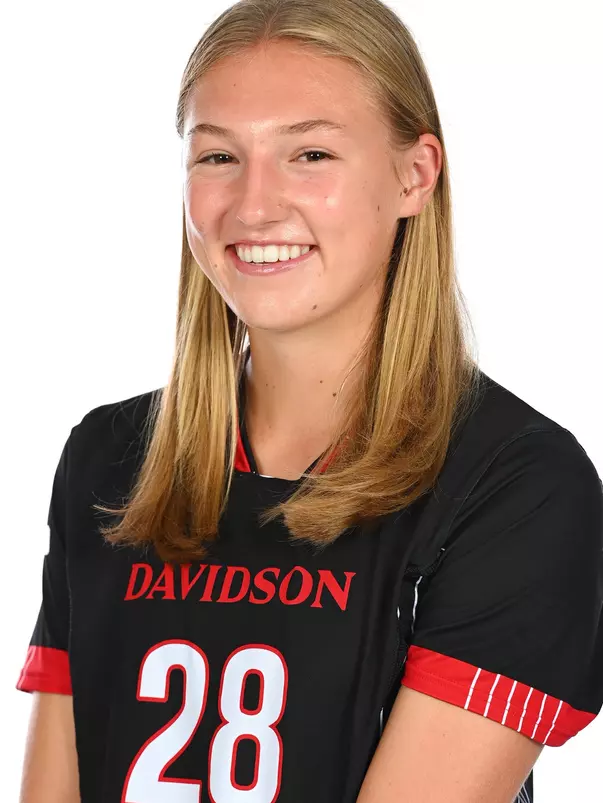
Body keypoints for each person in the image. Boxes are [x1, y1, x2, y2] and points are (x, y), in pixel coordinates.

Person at [17, 1, 603, 802]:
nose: (253, 207)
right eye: (218, 156)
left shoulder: (516, 481)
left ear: (414, 174)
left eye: (311, 153)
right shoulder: (107, 455)